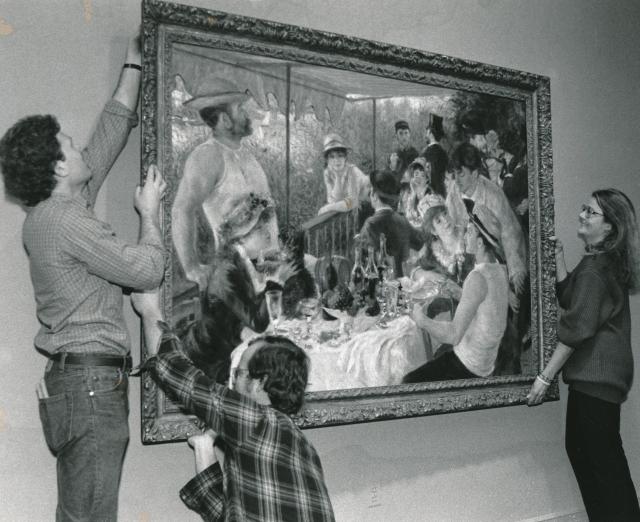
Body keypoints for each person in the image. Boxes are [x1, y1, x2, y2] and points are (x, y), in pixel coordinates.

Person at [0, 35, 167, 521]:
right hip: (91, 387)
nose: (79, 149)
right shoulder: (66, 221)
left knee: (81, 512)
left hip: (81, 383)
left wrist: (133, 63)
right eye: (69, 146)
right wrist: (150, 215)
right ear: (56, 167)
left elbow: (108, 135)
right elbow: (146, 270)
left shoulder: (55, 212)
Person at [132, 289, 336, 522]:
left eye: (239, 373)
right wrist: (204, 448)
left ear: (261, 383)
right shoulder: (302, 446)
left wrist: (150, 311)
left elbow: (177, 372)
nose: (231, 381)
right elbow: (229, 513)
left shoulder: (256, 421)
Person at [527, 189, 640, 521]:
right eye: (584, 208)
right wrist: (560, 258)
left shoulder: (596, 269)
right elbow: (569, 298)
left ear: (609, 227)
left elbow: (577, 328)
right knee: (592, 461)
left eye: (591, 213)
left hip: (595, 382)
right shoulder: (596, 264)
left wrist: (544, 377)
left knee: (604, 471)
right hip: (597, 384)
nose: (582, 215)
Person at [177, 192, 315, 384]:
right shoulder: (226, 271)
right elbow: (256, 321)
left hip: (234, 343)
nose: (269, 236)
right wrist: (277, 282)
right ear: (243, 235)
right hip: (212, 361)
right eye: (262, 229)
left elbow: (247, 312)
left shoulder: (242, 261)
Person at [172, 77, 279, 290]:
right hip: (239, 274)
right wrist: (192, 268)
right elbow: (181, 209)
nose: (247, 114)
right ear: (224, 119)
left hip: (270, 267)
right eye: (240, 109)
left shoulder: (245, 154)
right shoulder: (207, 155)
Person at [403, 200, 509, 382]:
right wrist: (456, 291)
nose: (445, 221)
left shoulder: (477, 274)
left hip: (472, 359)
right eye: (438, 221)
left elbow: (453, 334)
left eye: (469, 231)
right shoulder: (498, 268)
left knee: (408, 380)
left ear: (480, 242)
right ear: (433, 231)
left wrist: (421, 320)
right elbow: (482, 300)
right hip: (477, 339)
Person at [445, 142, 527, 297]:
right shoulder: (454, 193)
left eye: (461, 174)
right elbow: (450, 227)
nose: (456, 180)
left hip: (495, 262)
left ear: (475, 173)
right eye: (455, 174)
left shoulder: (494, 195)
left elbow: (511, 235)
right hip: (466, 261)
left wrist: (515, 274)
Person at [359, 169, 424, 278]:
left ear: (374, 195)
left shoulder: (371, 224)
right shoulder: (402, 220)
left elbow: (362, 262)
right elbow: (421, 244)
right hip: (403, 283)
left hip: (383, 285)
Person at [317, 133, 370, 215]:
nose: (336, 160)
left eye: (340, 155)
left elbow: (352, 202)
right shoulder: (328, 172)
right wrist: (338, 177)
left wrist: (328, 208)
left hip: (371, 204)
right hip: (357, 210)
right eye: (332, 157)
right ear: (327, 160)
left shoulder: (352, 171)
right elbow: (332, 200)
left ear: (345, 157)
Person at [398, 156, 445, 230]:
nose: (418, 178)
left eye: (422, 175)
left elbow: (423, 224)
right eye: (416, 174)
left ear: (427, 179)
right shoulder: (408, 195)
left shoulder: (433, 197)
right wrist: (413, 194)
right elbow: (405, 219)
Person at [420, 113, 448, 198]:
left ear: (431, 133)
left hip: (430, 195)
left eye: (427, 131)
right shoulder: (443, 152)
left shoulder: (426, 153)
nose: (426, 134)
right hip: (442, 193)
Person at [389, 119, 419, 187]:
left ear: (410, 135)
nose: (404, 136)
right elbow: (388, 178)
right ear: (396, 135)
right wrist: (393, 167)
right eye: (401, 133)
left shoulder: (415, 154)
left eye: (406, 133)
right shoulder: (394, 155)